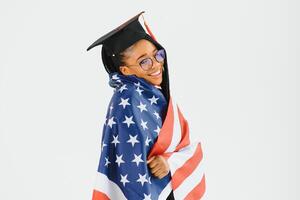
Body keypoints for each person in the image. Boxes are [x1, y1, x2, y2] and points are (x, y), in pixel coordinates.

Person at [87, 11, 205, 200]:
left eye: (157, 54)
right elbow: (131, 172)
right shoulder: (128, 99)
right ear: (125, 70)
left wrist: (168, 161)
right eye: (144, 61)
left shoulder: (155, 95)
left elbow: (184, 144)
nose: (156, 64)